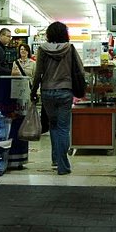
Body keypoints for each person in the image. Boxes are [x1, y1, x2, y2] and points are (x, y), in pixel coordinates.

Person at [30, 21, 82, 175]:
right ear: (64, 34)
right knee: (63, 128)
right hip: (65, 91)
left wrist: (34, 90)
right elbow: (79, 69)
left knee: (53, 126)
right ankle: (63, 166)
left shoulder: (42, 49)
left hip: (47, 91)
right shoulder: (70, 48)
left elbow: (38, 72)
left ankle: (55, 159)